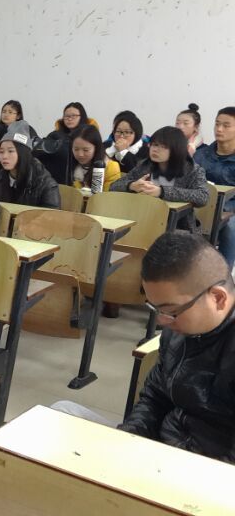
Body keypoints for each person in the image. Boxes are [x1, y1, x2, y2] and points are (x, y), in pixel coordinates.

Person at [55, 232, 235, 464]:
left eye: (171, 311)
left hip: (205, 471)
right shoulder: (178, 331)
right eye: (156, 309)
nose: (162, 321)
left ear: (218, 298)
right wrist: (129, 437)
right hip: (159, 450)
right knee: (61, 413)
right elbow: (155, 397)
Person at [110, 126, 208, 232]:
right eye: (154, 144)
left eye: (163, 146)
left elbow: (202, 197)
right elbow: (113, 187)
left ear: (176, 150)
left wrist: (162, 192)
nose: (155, 149)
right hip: (143, 221)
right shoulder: (145, 165)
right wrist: (132, 185)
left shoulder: (192, 170)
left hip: (178, 228)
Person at [195, 107, 235, 267]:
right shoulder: (201, 155)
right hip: (201, 204)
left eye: (226, 125)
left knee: (230, 227)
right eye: (217, 124)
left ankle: (223, 273)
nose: (219, 129)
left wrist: (226, 209)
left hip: (231, 208)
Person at [0, 121, 60, 208]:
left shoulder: (44, 183)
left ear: (23, 153)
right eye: (2, 151)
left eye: (10, 151)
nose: (4, 156)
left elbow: (52, 214)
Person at [38, 102, 101, 184]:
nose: (70, 119)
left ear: (82, 116)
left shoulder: (91, 135)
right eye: (66, 116)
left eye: (73, 116)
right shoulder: (55, 135)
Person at [69, 125, 121, 191]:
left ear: (96, 148)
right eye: (76, 149)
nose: (80, 154)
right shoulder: (69, 165)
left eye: (86, 150)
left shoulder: (111, 167)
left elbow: (109, 195)